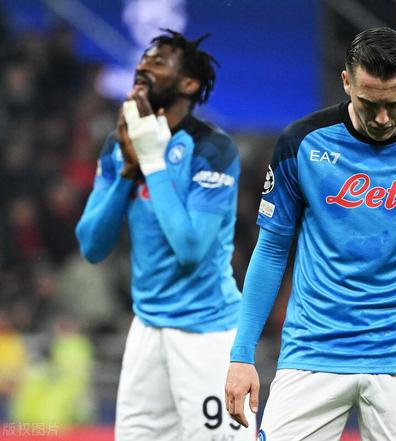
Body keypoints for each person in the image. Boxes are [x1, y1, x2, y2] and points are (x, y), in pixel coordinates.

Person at [225, 27, 396, 440]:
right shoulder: (301, 143)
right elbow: (270, 251)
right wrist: (241, 353)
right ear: (346, 82)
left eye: (395, 103)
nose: (382, 118)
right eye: (369, 103)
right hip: (312, 351)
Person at [76, 29, 253, 440]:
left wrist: (153, 162)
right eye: (143, 59)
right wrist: (128, 170)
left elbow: (190, 248)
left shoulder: (212, 149)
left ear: (188, 83)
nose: (143, 66)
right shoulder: (120, 145)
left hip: (206, 329)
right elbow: (91, 245)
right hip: (147, 328)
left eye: (158, 61)